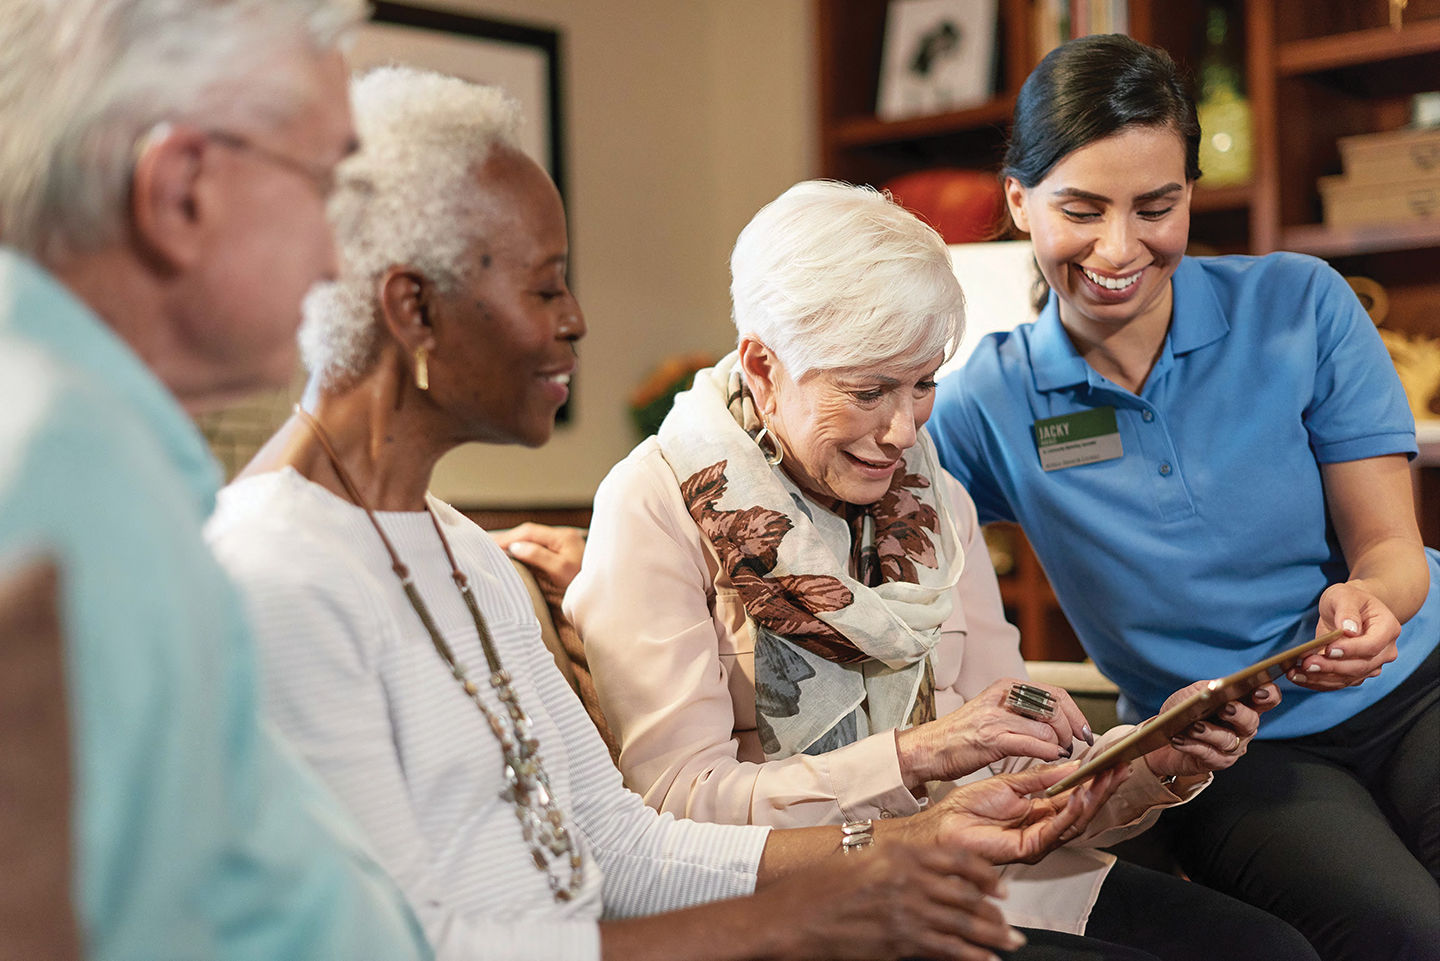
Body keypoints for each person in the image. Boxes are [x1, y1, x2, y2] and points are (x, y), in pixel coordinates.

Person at [205, 65, 1135, 961]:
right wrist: (809, 916)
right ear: (413, 307)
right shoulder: (274, 575)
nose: (575, 319)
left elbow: (621, 844)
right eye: (544, 284)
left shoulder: (457, 548)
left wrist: (883, 856)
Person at [566, 178, 1317, 961]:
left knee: (1273, 950)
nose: (901, 431)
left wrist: (1144, 764)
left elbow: (1017, 764)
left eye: (924, 383)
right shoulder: (653, 503)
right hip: (802, 907)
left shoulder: (935, 496)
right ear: (763, 364)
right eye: (867, 391)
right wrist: (918, 754)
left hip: (978, 869)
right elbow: (676, 813)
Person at [923, 33, 1440, 961]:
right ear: (1018, 201)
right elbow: (848, 496)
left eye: (1155, 207)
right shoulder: (988, 403)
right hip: (1234, 749)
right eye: (1081, 209)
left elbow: (1392, 550)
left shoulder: (1301, 305)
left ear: (1190, 196)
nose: (1119, 249)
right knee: (1401, 932)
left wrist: (1373, 600)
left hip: (1421, 684)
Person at [0, 1, 432, 959]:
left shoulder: (89, 445)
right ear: (182, 190)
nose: (333, 257)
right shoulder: (68, 473)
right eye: (327, 185)